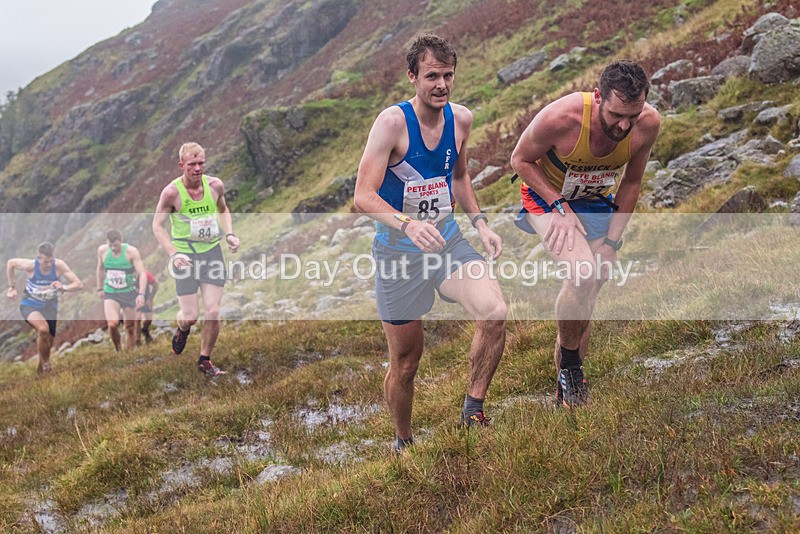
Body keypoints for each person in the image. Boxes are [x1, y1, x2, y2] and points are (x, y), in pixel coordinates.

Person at [354, 34, 507, 454]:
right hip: (398, 254)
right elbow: (362, 195)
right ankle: (404, 440)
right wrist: (407, 225)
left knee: (494, 312)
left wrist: (481, 223)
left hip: (448, 242)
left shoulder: (461, 119)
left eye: (448, 75)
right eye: (431, 76)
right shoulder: (392, 123)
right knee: (405, 363)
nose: (441, 84)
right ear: (412, 77)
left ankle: (472, 410)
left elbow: (458, 177)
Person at [510, 60, 661, 408]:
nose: (624, 125)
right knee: (581, 274)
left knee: (591, 287)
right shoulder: (562, 118)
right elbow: (519, 160)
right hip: (546, 194)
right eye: (616, 115)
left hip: (594, 198)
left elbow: (633, 182)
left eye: (632, 116)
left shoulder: (648, 124)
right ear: (598, 97)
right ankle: (573, 366)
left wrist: (611, 244)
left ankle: (568, 386)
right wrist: (558, 204)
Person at [152, 142, 240, 377]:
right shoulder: (171, 192)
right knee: (190, 316)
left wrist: (229, 233)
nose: (198, 168)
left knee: (212, 310)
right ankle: (181, 329)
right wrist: (174, 253)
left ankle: (205, 359)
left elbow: (223, 210)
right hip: (185, 256)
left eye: (201, 163)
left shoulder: (215, 185)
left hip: (211, 252)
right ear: (182, 165)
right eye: (192, 164)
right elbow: (157, 226)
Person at [6, 242, 84, 373]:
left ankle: (40, 369)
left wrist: (63, 287)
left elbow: (79, 284)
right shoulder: (30, 265)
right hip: (30, 304)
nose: (48, 265)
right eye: (45, 262)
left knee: (49, 340)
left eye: (50, 261)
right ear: (38, 258)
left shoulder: (59, 265)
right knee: (43, 329)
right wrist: (11, 287)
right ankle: (47, 366)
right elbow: (11, 263)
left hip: (49, 307)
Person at [96, 230, 147, 352]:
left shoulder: (131, 252)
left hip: (129, 293)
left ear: (121, 241)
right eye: (111, 245)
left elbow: (142, 273)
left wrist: (141, 294)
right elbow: (99, 269)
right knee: (112, 324)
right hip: (111, 292)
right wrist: (100, 288)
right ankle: (118, 350)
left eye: (116, 245)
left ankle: (128, 353)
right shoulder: (102, 251)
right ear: (107, 243)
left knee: (129, 327)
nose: (113, 248)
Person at [136, 271, 159, 344]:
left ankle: (145, 330)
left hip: (146, 295)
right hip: (133, 295)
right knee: (137, 319)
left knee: (148, 319)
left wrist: (150, 298)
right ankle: (137, 341)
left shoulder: (145, 274)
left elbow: (156, 284)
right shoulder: (126, 274)